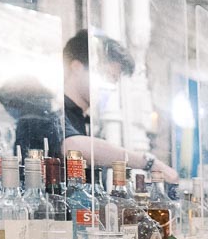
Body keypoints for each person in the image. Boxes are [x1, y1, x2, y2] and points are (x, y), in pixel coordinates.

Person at [61, 30, 179, 183]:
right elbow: (73, 146)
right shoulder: (53, 110)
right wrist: (149, 163)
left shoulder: (86, 121)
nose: (110, 86)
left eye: (114, 80)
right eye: (106, 76)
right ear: (76, 67)